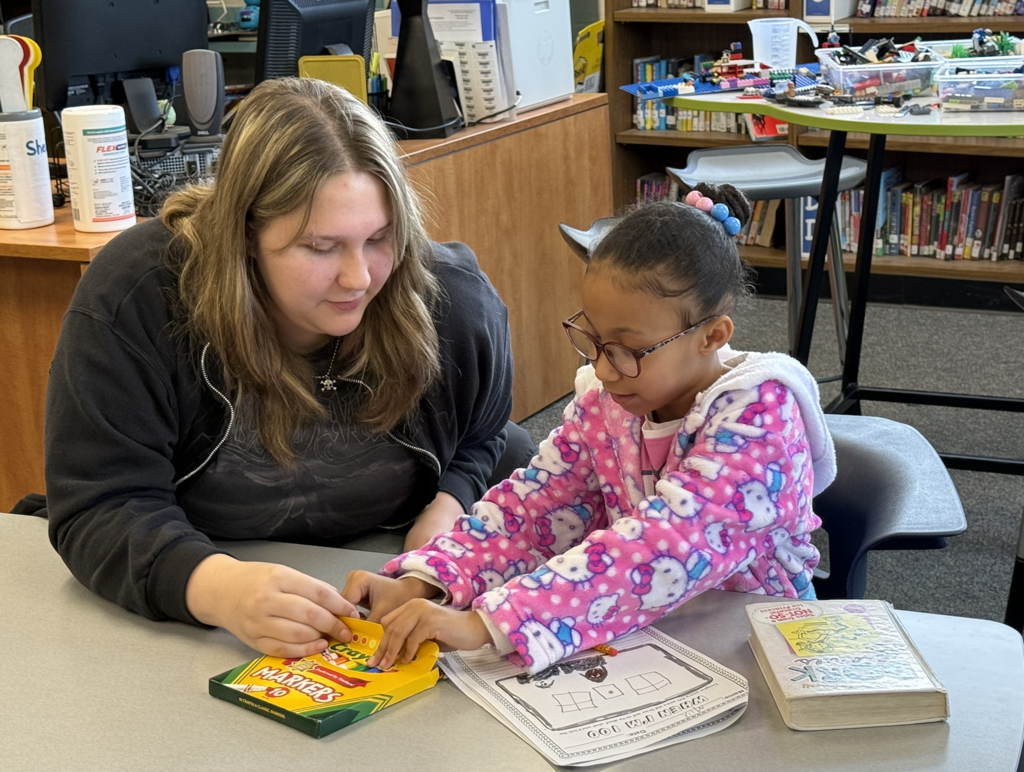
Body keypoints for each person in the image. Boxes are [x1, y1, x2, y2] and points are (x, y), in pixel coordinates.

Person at [43, 77, 534, 661]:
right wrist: (215, 587)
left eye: (379, 238)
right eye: (321, 248)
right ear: (246, 235)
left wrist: (448, 508)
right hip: (212, 566)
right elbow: (100, 503)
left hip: (395, 562)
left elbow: (486, 436)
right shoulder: (139, 297)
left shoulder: (454, 300)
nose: (358, 278)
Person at [343, 184, 837, 674]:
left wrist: (486, 622)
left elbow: (662, 546)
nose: (602, 369)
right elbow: (533, 509)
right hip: (651, 638)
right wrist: (427, 579)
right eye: (593, 340)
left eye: (627, 349)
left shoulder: (761, 418)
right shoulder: (611, 402)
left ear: (712, 336)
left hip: (761, 644)